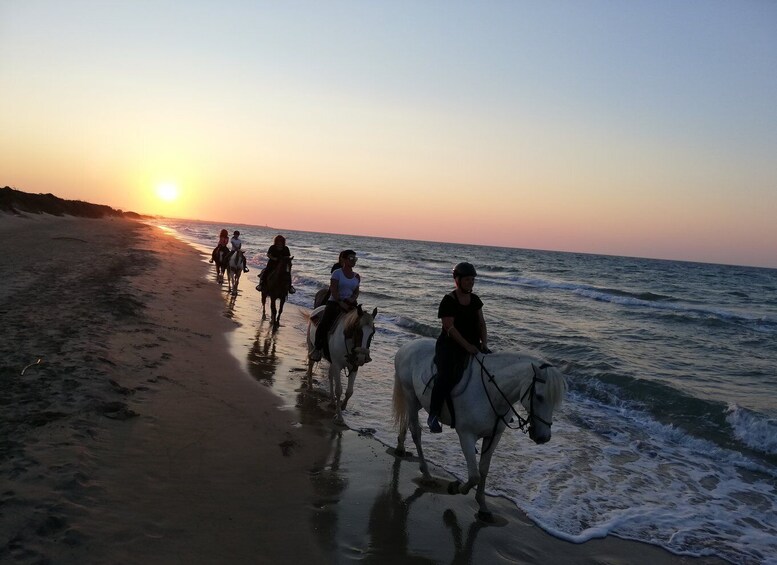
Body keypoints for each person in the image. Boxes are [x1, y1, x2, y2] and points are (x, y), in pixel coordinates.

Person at [428, 262, 490, 433]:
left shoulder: (475, 300)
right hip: (450, 346)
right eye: (468, 279)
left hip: (473, 345)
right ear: (458, 280)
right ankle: (433, 414)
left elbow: (481, 323)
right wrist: (468, 346)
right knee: (445, 375)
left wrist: (483, 343)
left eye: (473, 280)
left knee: (490, 372)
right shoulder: (448, 300)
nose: (471, 282)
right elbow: (450, 328)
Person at [309, 250, 360, 361]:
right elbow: (333, 289)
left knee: (361, 324)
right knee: (324, 324)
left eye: (355, 259)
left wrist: (352, 299)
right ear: (345, 259)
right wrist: (340, 302)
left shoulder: (357, 276)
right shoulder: (337, 273)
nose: (354, 261)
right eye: (351, 258)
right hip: (335, 302)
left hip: (350, 304)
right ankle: (317, 348)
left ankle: (359, 351)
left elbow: (356, 292)